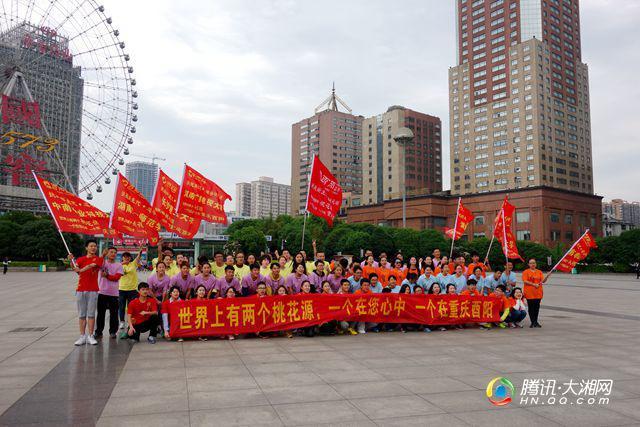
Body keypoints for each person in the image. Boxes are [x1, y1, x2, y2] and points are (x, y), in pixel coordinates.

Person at [68, 240, 105, 346]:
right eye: (91, 246)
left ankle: (91, 336)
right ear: (86, 248)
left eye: (95, 246)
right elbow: (75, 269)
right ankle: (82, 336)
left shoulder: (98, 259)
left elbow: (89, 267)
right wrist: (71, 261)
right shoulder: (80, 259)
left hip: (93, 290)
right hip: (80, 289)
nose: (93, 248)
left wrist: (80, 270)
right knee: (81, 314)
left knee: (91, 314)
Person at [95, 246, 123, 339]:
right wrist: (102, 256)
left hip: (114, 293)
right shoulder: (103, 263)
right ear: (107, 253)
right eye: (111, 252)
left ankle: (113, 331)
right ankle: (99, 332)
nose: (113, 254)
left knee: (114, 314)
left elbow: (116, 278)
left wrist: (107, 276)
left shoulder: (119, 265)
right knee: (100, 314)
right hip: (102, 292)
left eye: (115, 252)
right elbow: (97, 264)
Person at [118, 246, 144, 331]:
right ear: (122, 258)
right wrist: (122, 264)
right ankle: (122, 321)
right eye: (125, 256)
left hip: (132, 290)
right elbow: (115, 270)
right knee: (121, 307)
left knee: (131, 307)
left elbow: (138, 257)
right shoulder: (119, 265)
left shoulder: (133, 264)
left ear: (130, 258)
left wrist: (140, 251)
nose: (126, 258)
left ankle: (131, 321)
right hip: (122, 289)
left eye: (128, 256)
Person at [522, 258, 544, 328]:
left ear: (536, 264)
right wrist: (533, 284)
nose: (532, 264)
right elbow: (525, 281)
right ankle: (532, 322)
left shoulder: (539, 272)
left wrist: (547, 277)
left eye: (534, 263)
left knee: (537, 307)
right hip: (529, 293)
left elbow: (543, 281)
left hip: (538, 293)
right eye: (531, 263)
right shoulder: (526, 272)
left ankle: (536, 321)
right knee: (531, 307)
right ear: (528, 264)